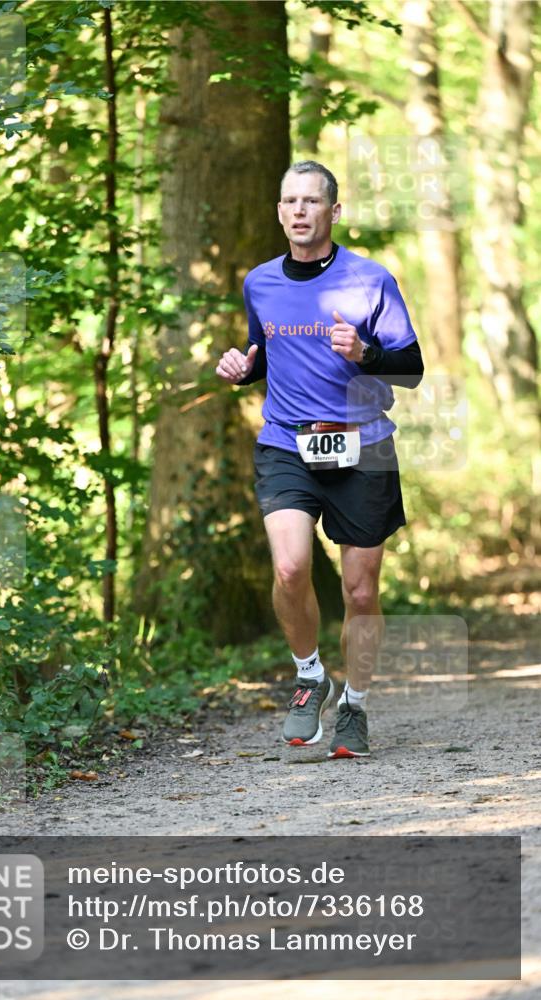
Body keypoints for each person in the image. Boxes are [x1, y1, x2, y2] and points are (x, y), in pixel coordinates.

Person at [215, 161, 424, 758]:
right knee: (288, 568)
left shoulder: (371, 280)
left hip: (364, 445)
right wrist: (241, 370)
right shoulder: (260, 282)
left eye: (313, 201)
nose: (300, 210)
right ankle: (310, 674)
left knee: (360, 592)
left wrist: (367, 351)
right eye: (290, 201)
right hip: (287, 442)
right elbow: (265, 355)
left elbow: (411, 370)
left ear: (334, 211)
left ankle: (354, 706)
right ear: (279, 212)